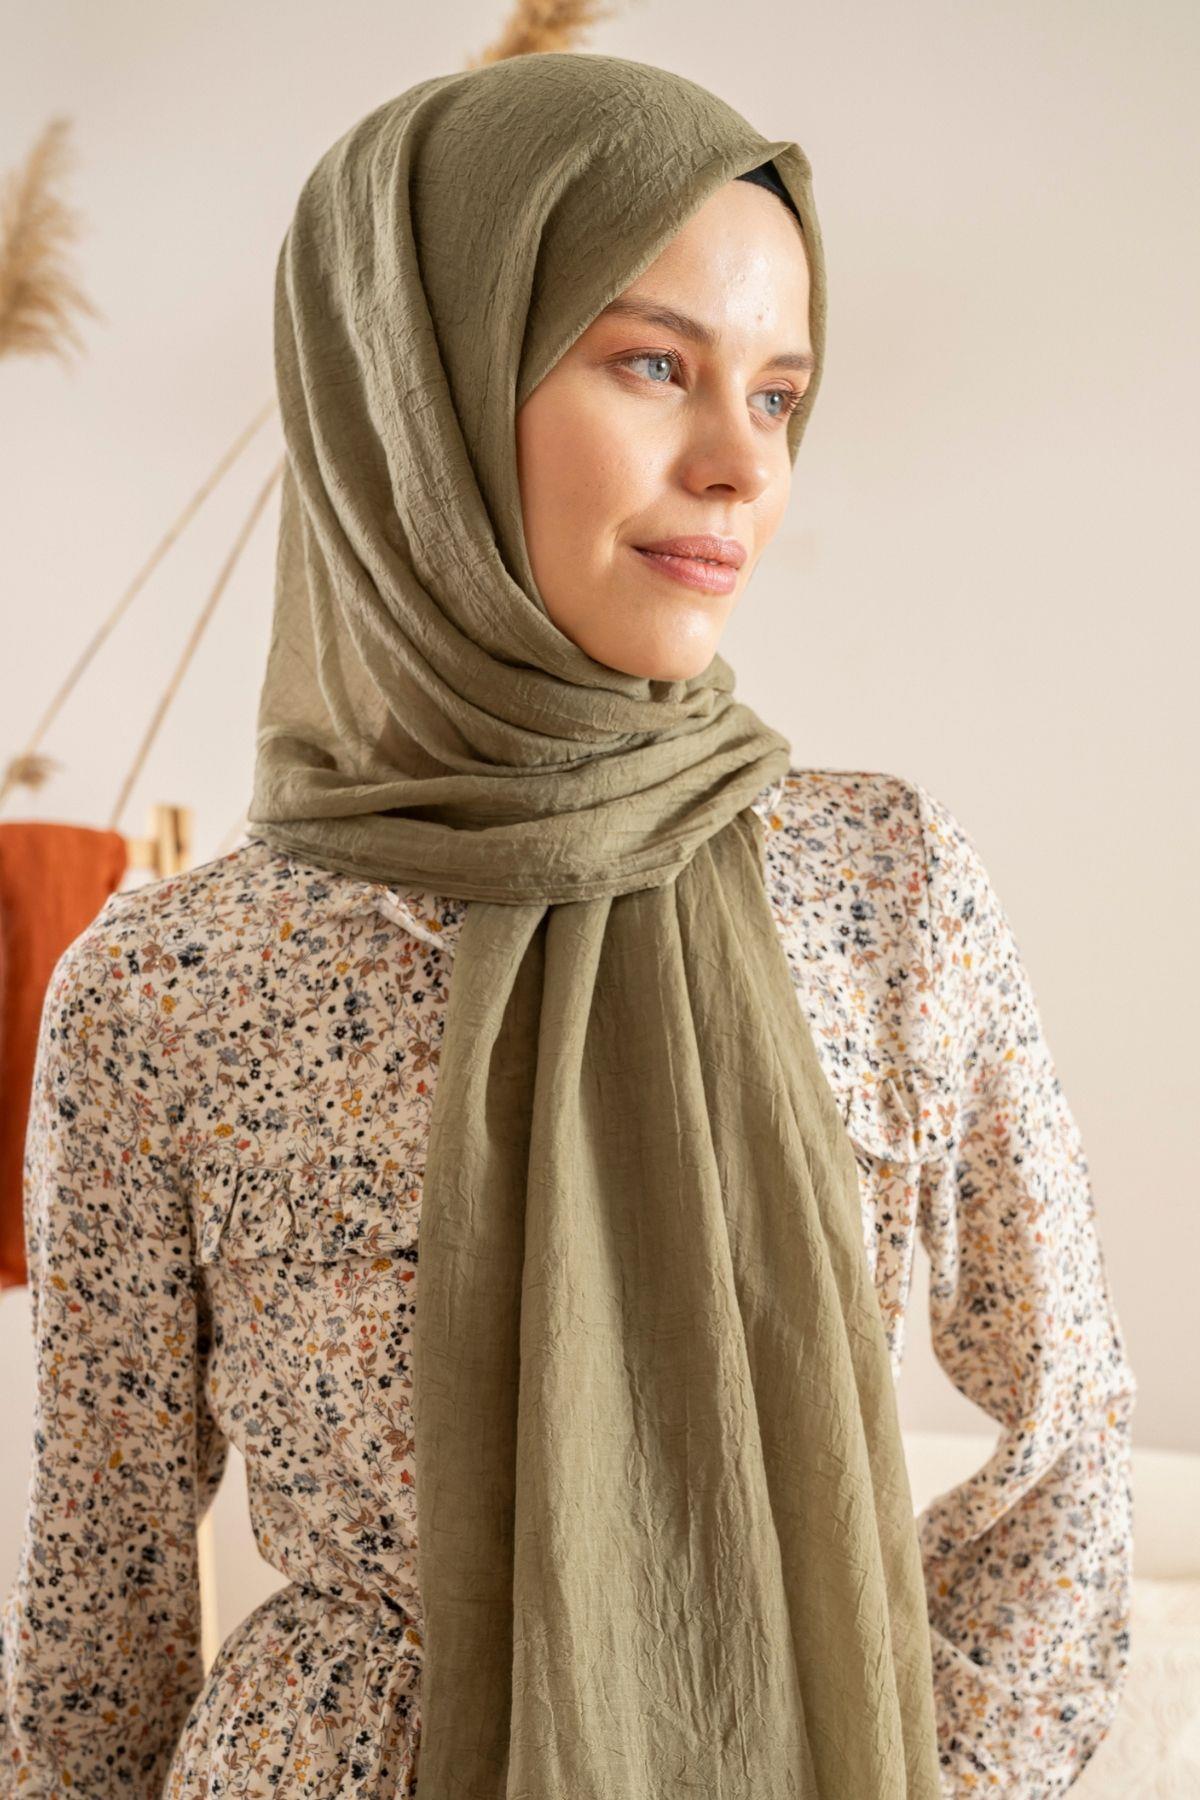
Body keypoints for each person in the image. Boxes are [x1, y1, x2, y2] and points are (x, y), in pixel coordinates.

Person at [0, 51, 1137, 1800]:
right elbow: (101, 1602)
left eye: (779, 392)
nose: (739, 464)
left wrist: (946, 1766)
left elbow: (1070, 1441)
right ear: (419, 392)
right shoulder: (167, 991)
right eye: (654, 363)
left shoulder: (887, 890)